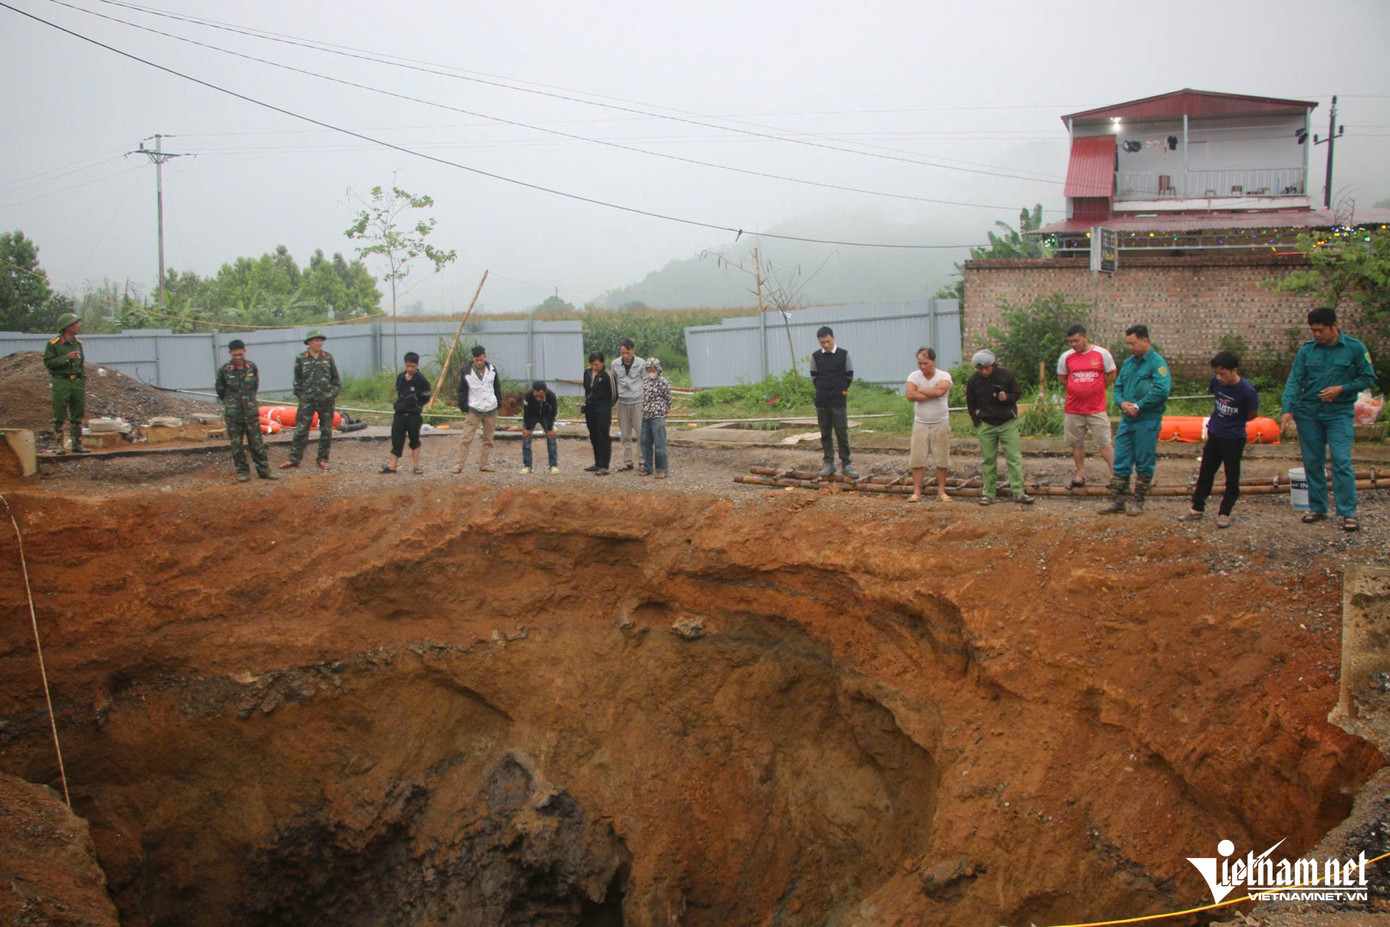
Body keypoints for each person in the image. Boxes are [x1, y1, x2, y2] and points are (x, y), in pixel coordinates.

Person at [1280, 306, 1377, 532]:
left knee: (1341, 460)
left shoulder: (1354, 348)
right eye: (1313, 330)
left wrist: (1341, 389)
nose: (1316, 335)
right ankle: (1318, 507)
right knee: (1313, 461)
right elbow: (1295, 380)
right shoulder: (1307, 351)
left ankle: (1347, 512)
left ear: (1335, 326)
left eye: (1321, 330)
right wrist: (1287, 409)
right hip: (1309, 412)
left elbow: (1368, 377)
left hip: (1339, 412)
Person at [1178, 351, 1258, 527]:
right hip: (1215, 433)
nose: (1219, 377)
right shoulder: (1216, 383)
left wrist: (1234, 423)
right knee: (1206, 471)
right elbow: (1216, 398)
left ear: (1234, 370)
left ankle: (1225, 512)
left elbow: (1252, 414)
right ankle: (1197, 508)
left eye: (1223, 373)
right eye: (1216, 373)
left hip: (1234, 438)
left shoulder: (1247, 390)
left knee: (1232, 475)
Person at [1100, 324, 1171, 516]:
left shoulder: (1157, 363)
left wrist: (1139, 406)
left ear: (1145, 340)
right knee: (1121, 459)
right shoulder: (1129, 363)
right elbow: (1118, 387)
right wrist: (1122, 404)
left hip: (1147, 420)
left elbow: (1161, 390)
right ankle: (1118, 501)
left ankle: (1138, 501)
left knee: (1144, 460)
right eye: (1128, 344)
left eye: (1133, 343)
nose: (1130, 347)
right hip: (1127, 420)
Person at [965, 349, 1033, 506]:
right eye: (980, 368)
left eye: (986, 367)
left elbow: (1017, 392)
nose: (983, 371)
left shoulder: (1006, 375)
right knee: (988, 460)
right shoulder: (974, 380)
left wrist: (1006, 398)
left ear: (993, 364)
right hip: (986, 425)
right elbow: (970, 403)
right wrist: (977, 422)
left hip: (1007, 423)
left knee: (1014, 458)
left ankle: (1018, 492)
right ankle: (988, 493)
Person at [1057, 324, 1117, 487]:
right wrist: (1076, 389)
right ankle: (1080, 473)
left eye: (1076, 341)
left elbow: (1111, 374)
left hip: (1096, 408)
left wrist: (1098, 388)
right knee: (1076, 443)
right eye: (1071, 342)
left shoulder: (1102, 354)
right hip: (1074, 409)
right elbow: (1063, 379)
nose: (1074, 344)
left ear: (1085, 337)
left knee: (1104, 442)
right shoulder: (1066, 357)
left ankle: (1116, 475)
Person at [215, 339, 275, 482]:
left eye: (240, 354)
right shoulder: (224, 370)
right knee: (237, 445)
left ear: (244, 351)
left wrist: (248, 403)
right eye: (234, 355)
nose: (238, 358)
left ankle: (264, 471)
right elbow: (220, 390)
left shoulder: (251, 367)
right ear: (230, 353)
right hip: (233, 415)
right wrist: (232, 404)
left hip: (250, 413)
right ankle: (243, 472)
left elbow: (255, 387)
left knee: (257, 443)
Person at [280, 329, 340, 471]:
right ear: (309, 342)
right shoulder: (301, 358)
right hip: (307, 401)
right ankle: (294, 458)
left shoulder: (328, 358)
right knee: (301, 429)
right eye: (316, 340)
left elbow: (336, 380)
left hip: (326, 401)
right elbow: (297, 381)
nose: (319, 343)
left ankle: (323, 459)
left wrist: (331, 394)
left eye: (321, 340)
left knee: (326, 430)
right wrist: (303, 397)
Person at [809, 326, 859, 479]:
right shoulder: (816, 357)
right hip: (822, 400)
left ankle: (846, 464)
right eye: (822, 342)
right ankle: (829, 463)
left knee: (841, 432)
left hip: (838, 401)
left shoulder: (843, 355)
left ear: (833, 338)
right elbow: (814, 376)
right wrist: (823, 389)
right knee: (825, 433)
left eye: (827, 341)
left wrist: (841, 390)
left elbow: (849, 375)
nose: (825, 345)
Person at [904, 346, 952, 503]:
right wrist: (931, 392)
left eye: (926, 363)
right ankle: (917, 492)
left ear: (933, 361)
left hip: (941, 423)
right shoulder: (913, 376)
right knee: (917, 459)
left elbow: (940, 392)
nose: (922, 367)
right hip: (920, 423)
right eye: (920, 363)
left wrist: (922, 390)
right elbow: (910, 395)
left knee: (942, 459)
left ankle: (941, 492)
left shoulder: (944, 376)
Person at [43, 312, 89, 454]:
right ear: (67, 326)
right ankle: (59, 445)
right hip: (61, 381)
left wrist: (82, 378)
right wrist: (66, 358)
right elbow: (49, 362)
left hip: (76, 381)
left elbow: (81, 363)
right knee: (60, 411)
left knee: (77, 411)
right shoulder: (54, 345)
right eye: (75, 323)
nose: (78, 326)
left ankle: (77, 444)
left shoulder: (77, 344)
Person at [453, 345, 502, 473]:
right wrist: (464, 406)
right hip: (474, 409)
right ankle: (459, 464)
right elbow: (462, 390)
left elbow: (496, 387)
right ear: (472, 359)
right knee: (466, 438)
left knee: (488, 439)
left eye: (481, 360)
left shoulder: (492, 370)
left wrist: (498, 401)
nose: (479, 363)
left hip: (490, 409)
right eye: (476, 360)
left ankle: (484, 464)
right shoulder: (466, 371)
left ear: (485, 357)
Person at [381, 352, 431, 475]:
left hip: (413, 415)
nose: (410, 369)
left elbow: (426, 397)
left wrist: (417, 406)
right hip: (399, 414)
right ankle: (392, 465)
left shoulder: (422, 381)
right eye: (408, 366)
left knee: (414, 440)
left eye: (412, 366)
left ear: (417, 365)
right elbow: (398, 392)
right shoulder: (400, 377)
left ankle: (416, 466)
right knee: (396, 439)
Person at [612, 338, 645, 472]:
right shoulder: (615, 364)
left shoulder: (641, 364)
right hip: (622, 402)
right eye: (622, 353)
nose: (625, 356)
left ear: (633, 351)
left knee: (641, 432)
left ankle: (643, 461)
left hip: (637, 401)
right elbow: (614, 382)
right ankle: (627, 461)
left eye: (627, 353)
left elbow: (646, 381)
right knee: (625, 434)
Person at [582, 350, 615, 475]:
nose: (594, 367)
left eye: (596, 364)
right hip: (590, 406)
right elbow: (586, 388)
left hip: (603, 407)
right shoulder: (587, 372)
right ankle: (597, 462)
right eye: (592, 364)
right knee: (593, 435)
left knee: (603, 435)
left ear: (602, 363)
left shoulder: (608, 374)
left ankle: (604, 465)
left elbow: (614, 394)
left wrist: (606, 406)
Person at [640, 357, 672, 478]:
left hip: (658, 416)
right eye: (649, 369)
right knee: (645, 442)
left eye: (653, 369)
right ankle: (648, 467)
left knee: (660, 444)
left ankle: (662, 470)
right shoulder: (645, 381)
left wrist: (664, 412)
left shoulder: (663, 382)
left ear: (658, 369)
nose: (651, 371)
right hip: (646, 416)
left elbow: (668, 399)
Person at [520, 380, 559, 474]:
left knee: (551, 439)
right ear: (533, 391)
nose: (538, 398)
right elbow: (526, 412)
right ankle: (527, 466)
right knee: (526, 439)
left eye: (540, 396)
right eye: (536, 395)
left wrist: (550, 428)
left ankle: (553, 466)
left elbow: (553, 411)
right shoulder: (528, 395)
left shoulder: (551, 396)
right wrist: (528, 428)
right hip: (531, 416)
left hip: (546, 416)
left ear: (545, 392)